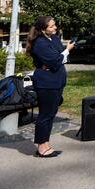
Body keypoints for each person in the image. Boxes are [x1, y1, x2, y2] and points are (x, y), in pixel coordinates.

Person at [26, 16, 74, 158]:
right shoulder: (39, 43)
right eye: (52, 26)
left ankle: (45, 143)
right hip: (46, 83)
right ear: (43, 29)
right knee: (45, 115)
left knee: (51, 114)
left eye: (55, 25)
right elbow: (56, 60)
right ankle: (41, 147)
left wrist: (60, 57)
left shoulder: (54, 39)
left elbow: (60, 60)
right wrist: (66, 51)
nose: (55, 28)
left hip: (57, 81)